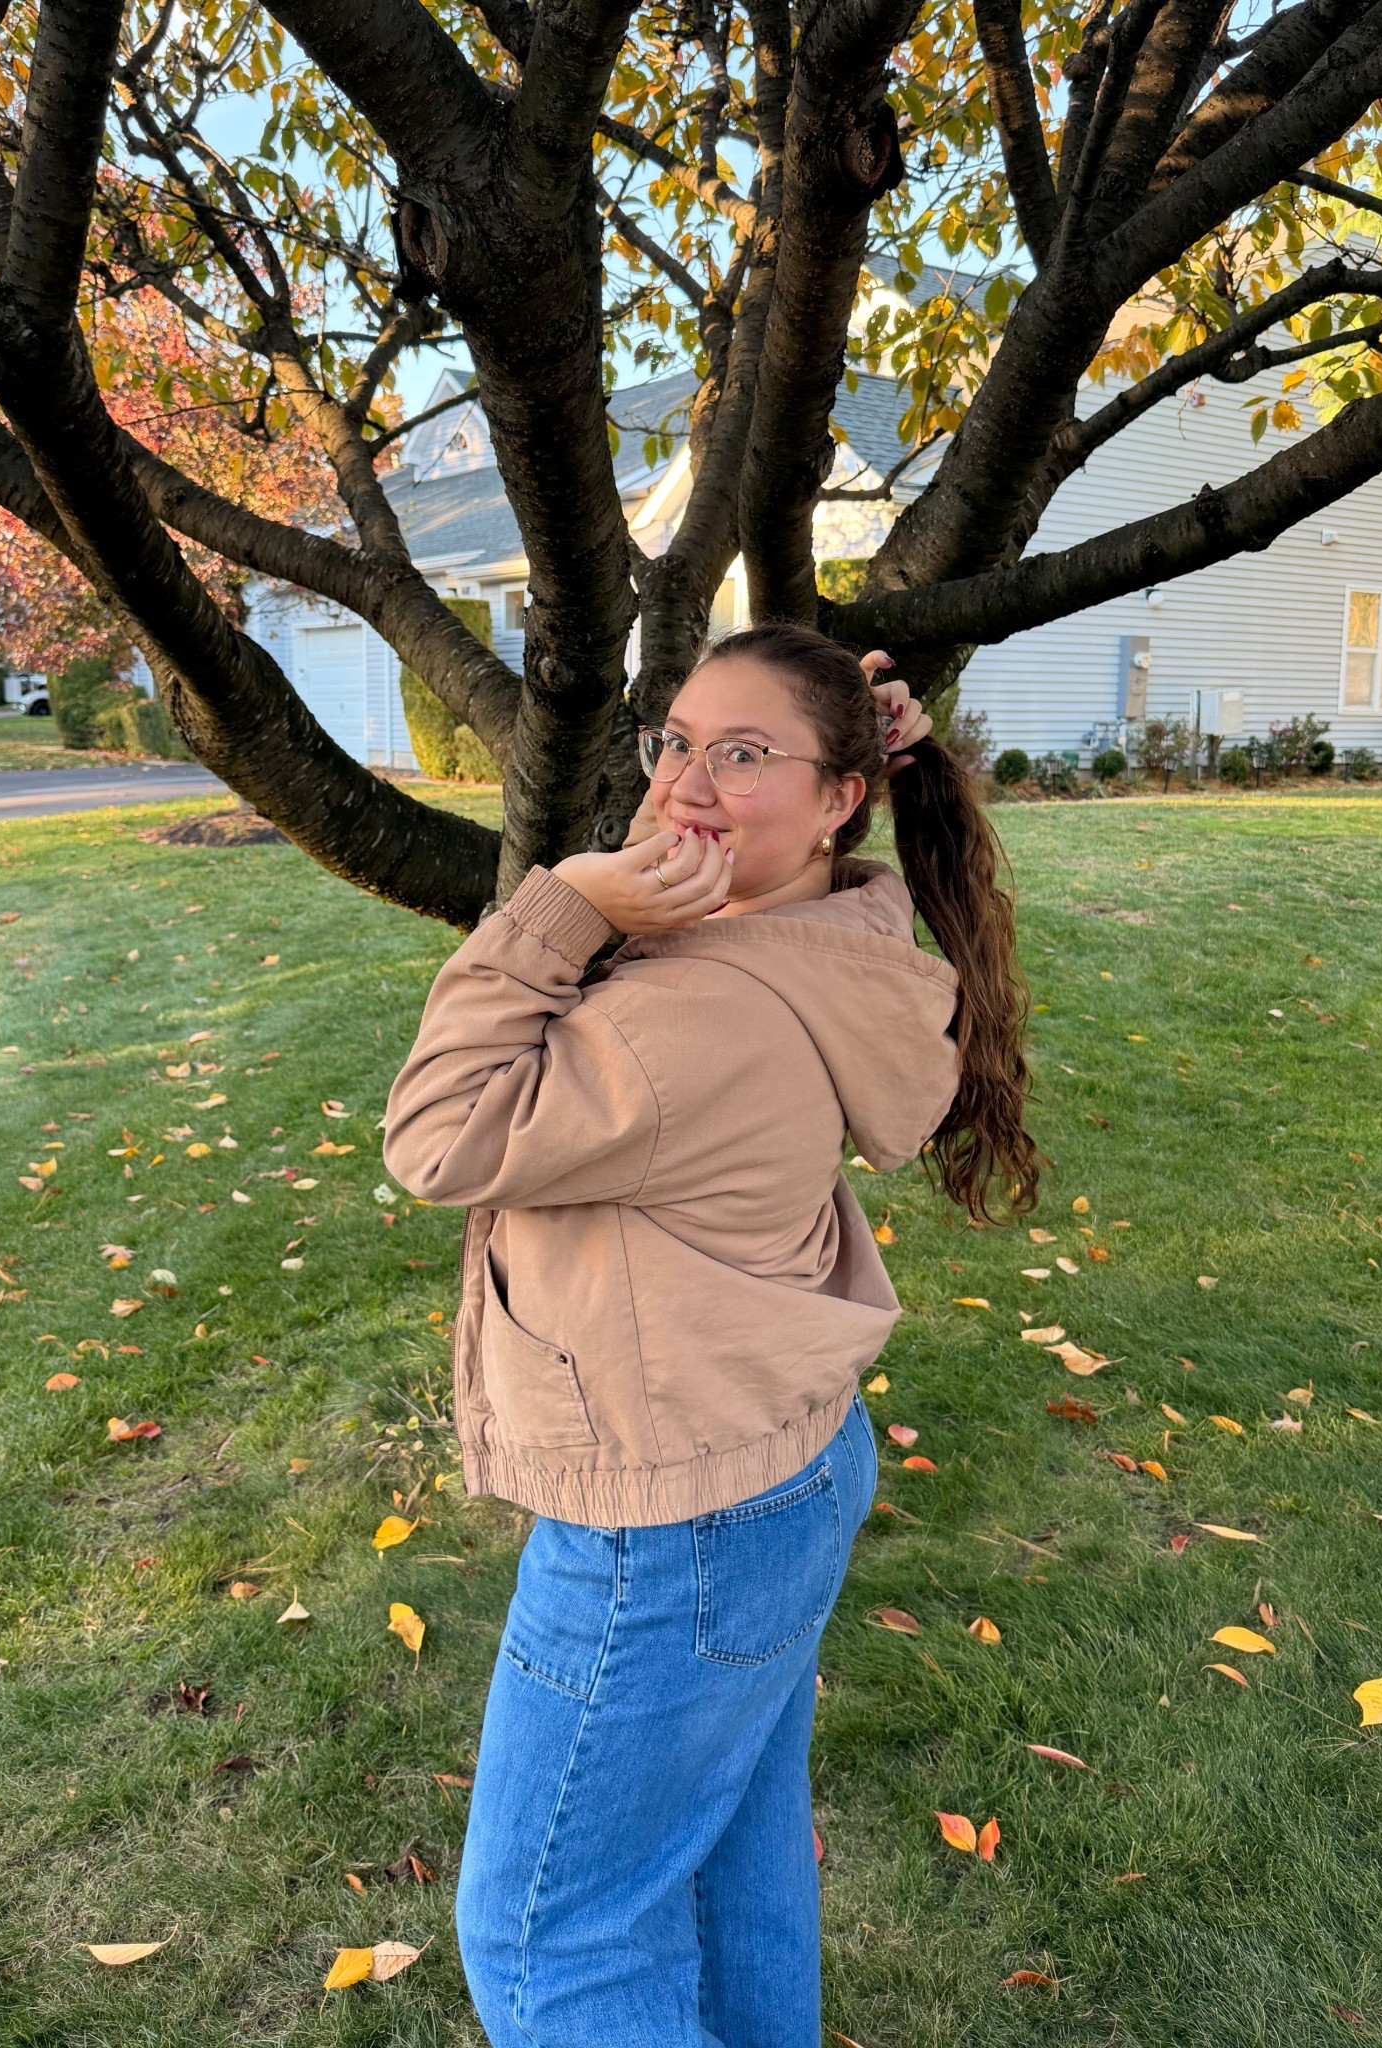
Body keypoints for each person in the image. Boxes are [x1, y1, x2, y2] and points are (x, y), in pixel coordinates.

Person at [382, 622, 1036, 2046]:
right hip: (775, 1469)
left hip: (667, 1533)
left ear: (840, 798)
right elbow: (746, 825)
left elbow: (435, 1138)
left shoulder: (683, 1021)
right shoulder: (827, 929)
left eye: (743, 756)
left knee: (549, 1933)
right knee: (730, 1857)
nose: (686, 781)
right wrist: (793, 756)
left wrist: (562, 902)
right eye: (676, 739)